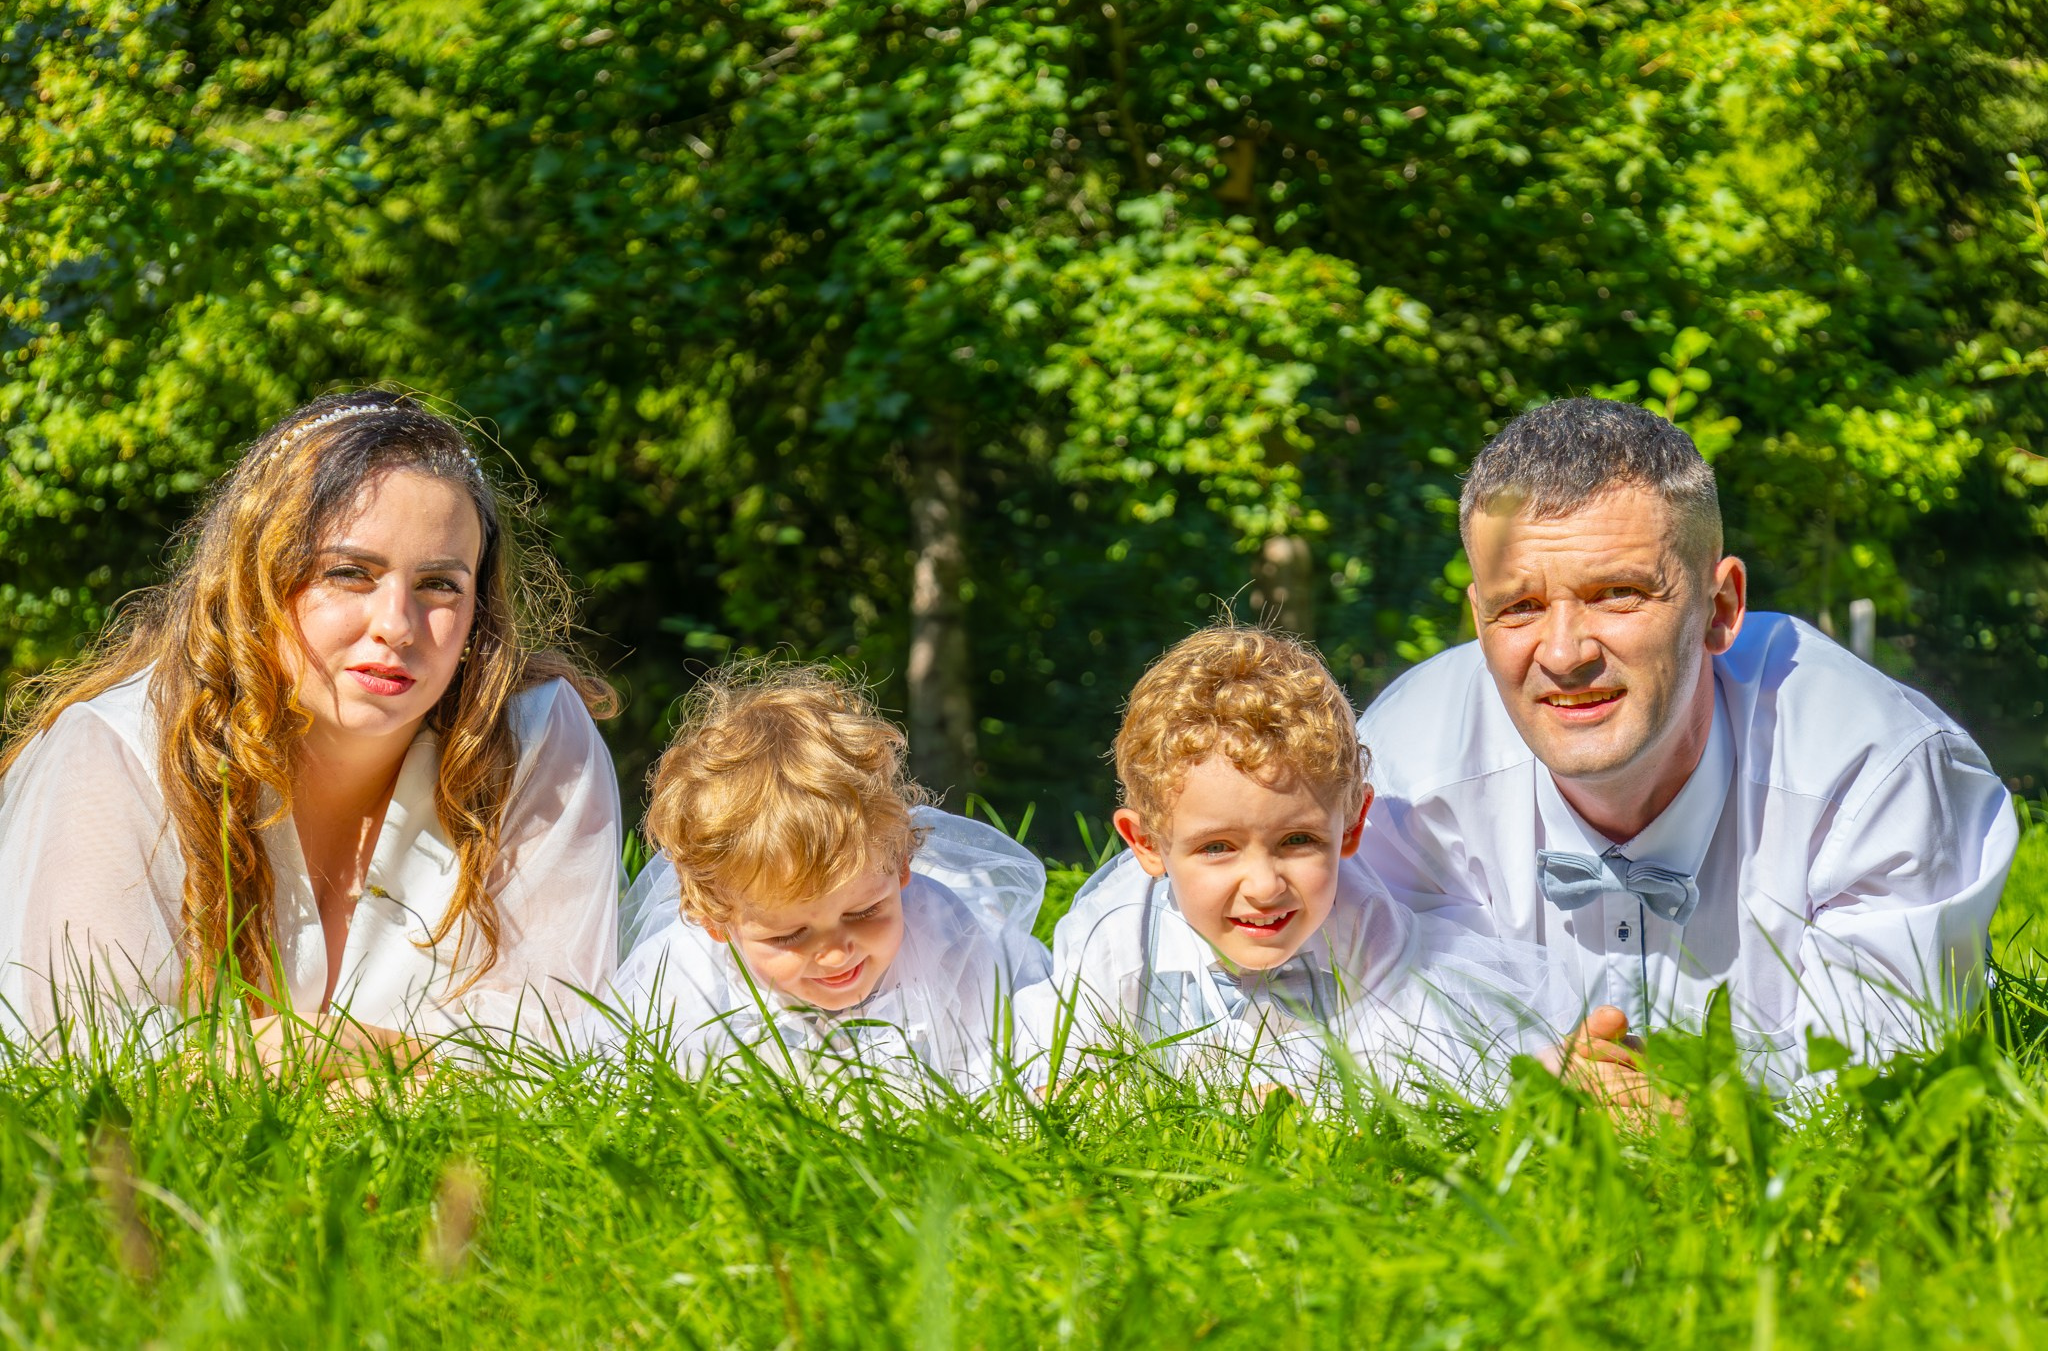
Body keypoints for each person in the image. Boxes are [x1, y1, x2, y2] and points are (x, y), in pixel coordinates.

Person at [1355, 397, 2019, 1088]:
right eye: (1519, 606)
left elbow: (1881, 1080)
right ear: (1477, 616)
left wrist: (1679, 1121)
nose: (1562, 652)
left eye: (1617, 593)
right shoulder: (1396, 785)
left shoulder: (1875, 775)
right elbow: (1341, 1041)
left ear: (1721, 608)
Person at [0, 390, 623, 1073]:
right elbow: (72, 1054)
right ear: (258, 579)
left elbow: (565, 1049)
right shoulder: (118, 753)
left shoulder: (536, 740)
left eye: (440, 584)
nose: (397, 625)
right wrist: (387, 1066)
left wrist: (332, 1055)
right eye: (350, 573)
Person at [1045, 625, 1570, 1099]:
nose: (1263, 885)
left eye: (1297, 840)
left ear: (1350, 826)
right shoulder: (1120, 936)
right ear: (1148, 845)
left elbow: (1406, 1070)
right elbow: (1052, 1069)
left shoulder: (1364, 928)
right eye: (1217, 848)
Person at [598, 663, 1051, 1095]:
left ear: (900, 867)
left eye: (864, 911)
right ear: (717, 920)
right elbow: (615, 1082)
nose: (836, 954)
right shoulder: (682, 977)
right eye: (789, 935)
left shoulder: (945, 939)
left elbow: (998, 1061)